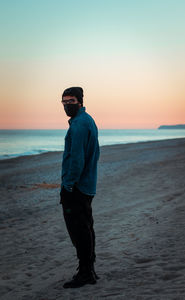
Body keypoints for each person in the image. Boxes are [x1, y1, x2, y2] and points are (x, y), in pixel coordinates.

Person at [60, 87, 100, 288]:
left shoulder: (78, 125)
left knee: (79, 231)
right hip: (86, 185)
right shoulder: (87, 120)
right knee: (86, 228)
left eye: (71, 101)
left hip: (76, 187)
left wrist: (68, 185)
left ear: (80, 101)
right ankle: (89, 270)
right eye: (64, 102)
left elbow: (76, 160)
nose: (67, 105)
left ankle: (85, 273)